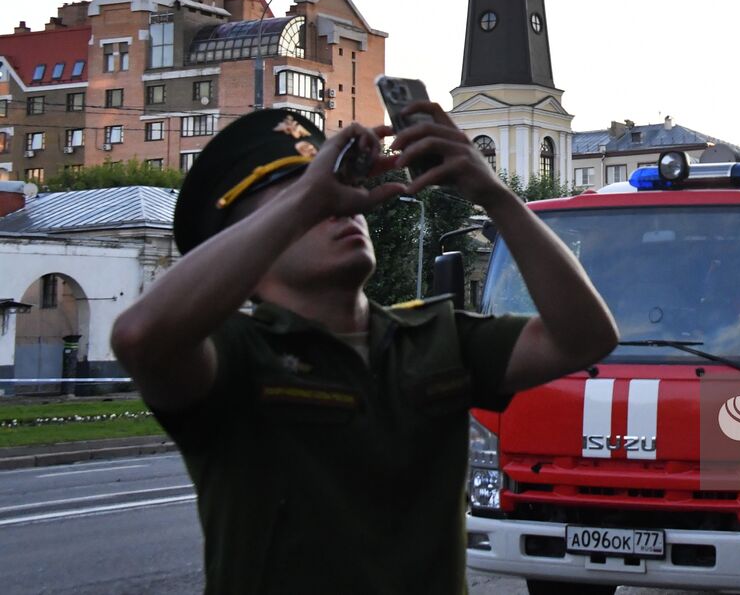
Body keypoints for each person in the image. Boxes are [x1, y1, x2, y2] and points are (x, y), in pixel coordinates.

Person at [110, 104, 619, 593]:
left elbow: (585, 337)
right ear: (248, 245)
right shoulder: (234, 356)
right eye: (306, 201)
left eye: (345, 190)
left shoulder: (434, 337)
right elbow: (140, 337)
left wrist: (493, 194)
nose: (344, 206)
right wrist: (310, 198)